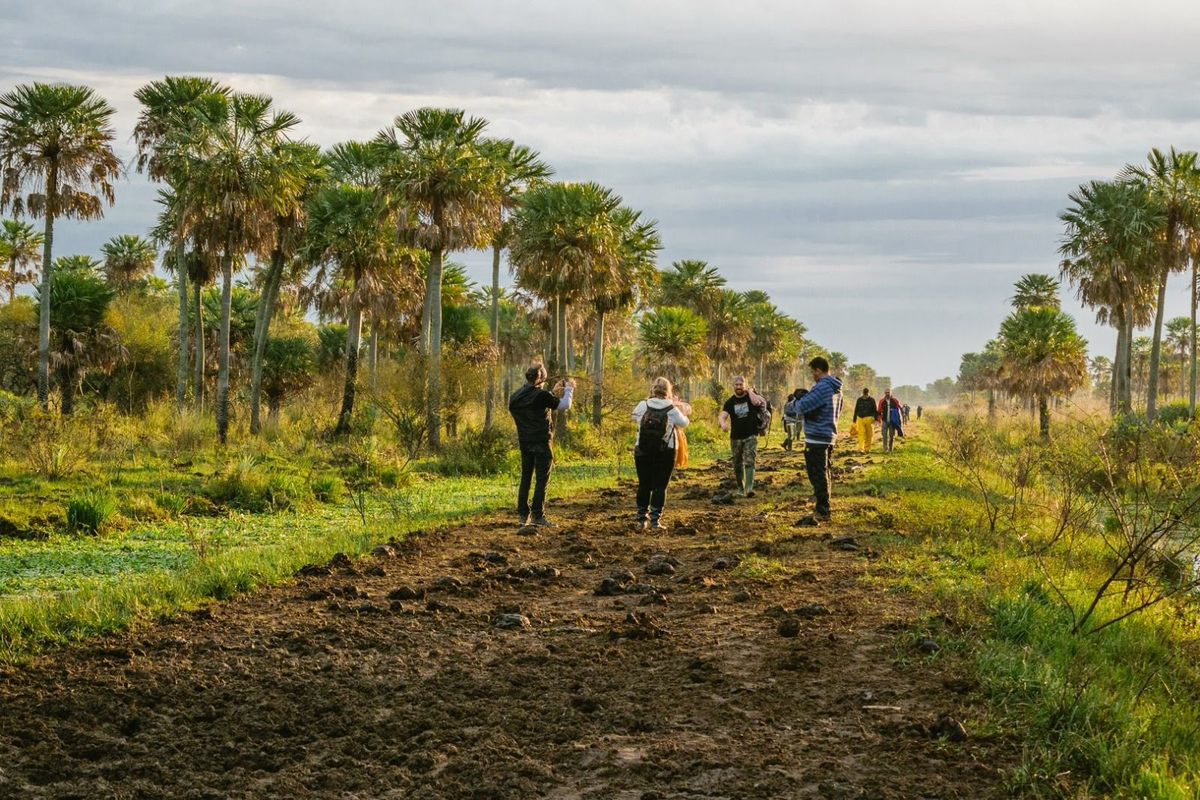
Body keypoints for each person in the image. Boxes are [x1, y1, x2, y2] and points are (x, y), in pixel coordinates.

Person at [508, 363, 574, 526]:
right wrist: (569, 389)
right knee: (541, 480)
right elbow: (564, 405)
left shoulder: (515, 396)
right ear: (540, 378)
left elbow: (536, 404)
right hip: (542, 442)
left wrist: (552, 393)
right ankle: (538, 515)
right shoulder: (541, 395)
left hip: (525, 442)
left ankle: (523, 516)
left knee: (526, 478)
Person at [631, 377, 691, 528]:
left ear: (652, 389)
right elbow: (684, 423)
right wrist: (678, 405)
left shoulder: (642, 405)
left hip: (642, 450)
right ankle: (654, 520)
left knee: (643, 485)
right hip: (665, 451)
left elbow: (633, 417)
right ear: (668, 391)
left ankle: (641, 519)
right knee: (660, 486)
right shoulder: (672, 409)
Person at [792, 357, 843, 522]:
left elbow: (801, 406)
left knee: (817, 474)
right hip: (829, 434)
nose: (812, 375)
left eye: (813, 372)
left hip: (816, 436)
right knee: (824, 471)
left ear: (818, 370)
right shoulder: (837, 388)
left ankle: (823, 509)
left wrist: (795, 401)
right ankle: (824, 505)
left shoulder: (822, 387)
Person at [718, 376, 766, 497]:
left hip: (750, 435)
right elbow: (722, 415)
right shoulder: (730, 402)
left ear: (744, 385)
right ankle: (741, 488)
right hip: (736, 436)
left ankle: (749, 488)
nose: (739, 387)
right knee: (737, 463)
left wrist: (750, 391)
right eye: (736, 385)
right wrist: (723, 424)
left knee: (750, 461)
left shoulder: (751, 398)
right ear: (733, 386)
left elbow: (757, 402)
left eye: (741, 384)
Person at [852, 387, 877, 453]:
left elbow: (875, 410)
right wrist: (854, 421)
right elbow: (856, 410)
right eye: (864, 394)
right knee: (861, 434)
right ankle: (861, 448)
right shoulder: (859, 400)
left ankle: (867, 449)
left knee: (869, 434)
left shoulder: (872, 400)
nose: (865, 396)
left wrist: (876, 419)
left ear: (868, 393)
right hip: (860, 418)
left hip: (869, 418)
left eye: (866, 394)